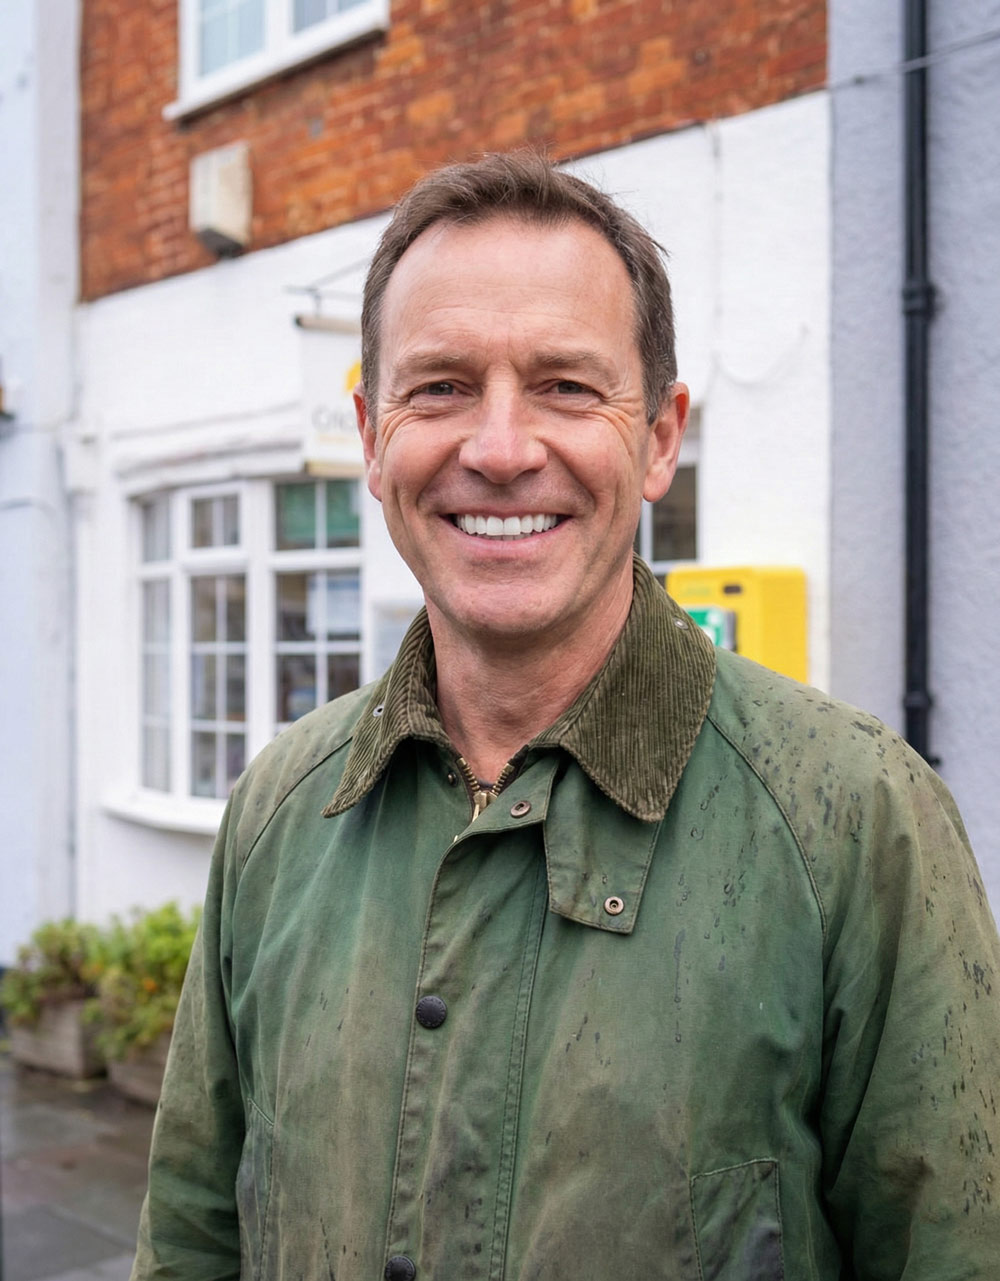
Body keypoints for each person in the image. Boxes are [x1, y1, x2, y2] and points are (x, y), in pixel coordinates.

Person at [132, 152, 1000, 1281]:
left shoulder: (858, 821)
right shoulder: (279, 808)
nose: (499, 450)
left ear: (657, 437)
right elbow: (193, 1229)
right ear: (368, 430)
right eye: (439, 386)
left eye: (566, 386)